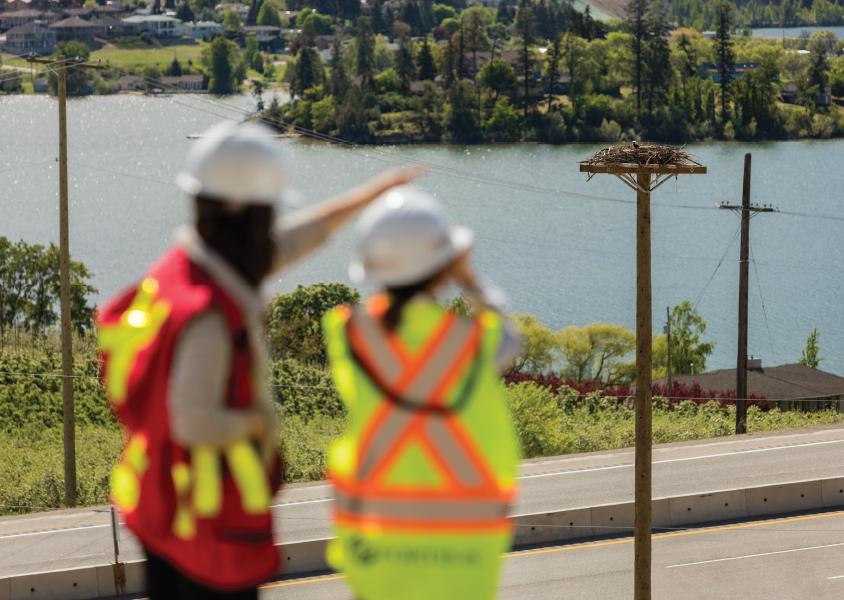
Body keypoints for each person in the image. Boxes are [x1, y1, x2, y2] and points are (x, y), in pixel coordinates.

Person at [96, 121, 422, 599]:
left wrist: (370, 195)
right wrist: (257, 423)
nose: (272, 220)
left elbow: (298, 239)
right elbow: (194, 421)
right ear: (243, 213)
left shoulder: (193, 266)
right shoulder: (208, 313)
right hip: (203, 520)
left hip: (165, 503)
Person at [322, 186, 522, 600]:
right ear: (445, 266)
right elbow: (510, 339)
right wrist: (469, 279)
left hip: (374, 549)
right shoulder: (472, 342)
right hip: (466, 556)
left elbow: (377, 312)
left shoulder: (349, 337)